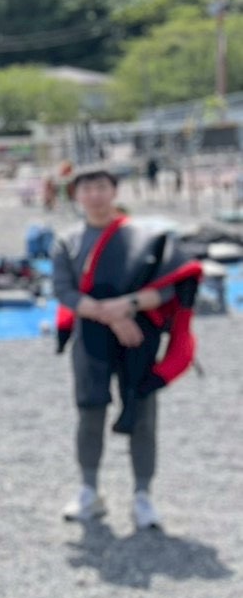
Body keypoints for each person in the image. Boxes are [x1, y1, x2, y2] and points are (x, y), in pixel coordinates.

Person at [52, 165, 188, 530]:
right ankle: (89, 490)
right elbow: (63, 290)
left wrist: (128, 306)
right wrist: (109, 315)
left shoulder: (148, 236)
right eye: (86, 189)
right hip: (90, 337)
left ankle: (143, 495)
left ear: (114, 191)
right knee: (90, 410)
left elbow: (170, 286)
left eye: (101, 187)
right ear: (76, 195)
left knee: (142, 411)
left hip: (140, 336)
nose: (94, 195)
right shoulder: (68, 241)